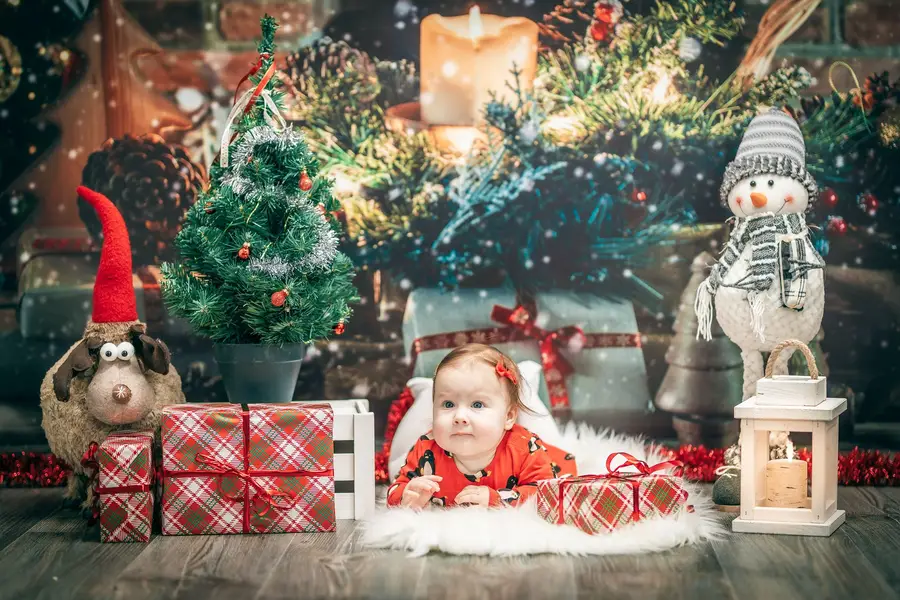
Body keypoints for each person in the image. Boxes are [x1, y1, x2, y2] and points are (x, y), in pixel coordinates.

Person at [387, 343, 576, 509]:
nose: (459, 417)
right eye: (448, 404)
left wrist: (497, 498)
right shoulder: (426, 449)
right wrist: (406, 495)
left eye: (477, 405)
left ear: (508, 417)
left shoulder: (524, 448)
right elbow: (395, 487)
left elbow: (546, 494)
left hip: (555, 466)